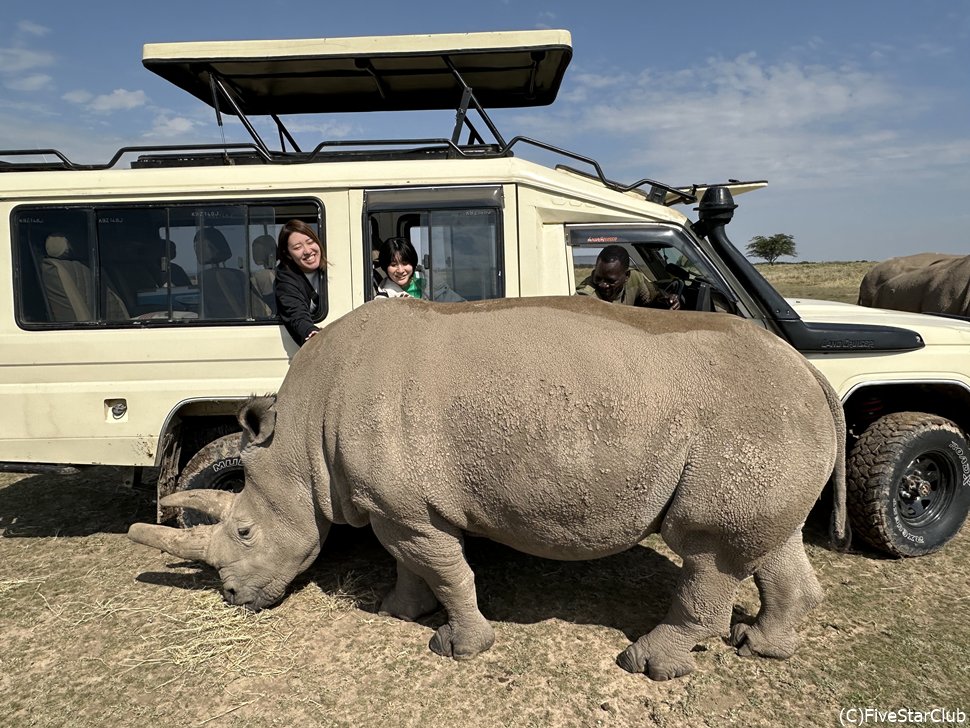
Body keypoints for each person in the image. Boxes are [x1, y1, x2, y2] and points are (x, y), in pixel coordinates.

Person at [273, 219, 328, 345]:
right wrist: (310, 331)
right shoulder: (285, 282)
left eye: (310, 242)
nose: (308, 251)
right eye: (297, 247)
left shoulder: (334, 266)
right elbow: (296, 314)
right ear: (288, 254)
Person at [575, 245, 680, 309]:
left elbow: (650, 301)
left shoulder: (635, 278)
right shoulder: (586, 297)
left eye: (610, 281)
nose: (602, 285)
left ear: (626, 276)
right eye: (597, 278)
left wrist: (667, 301)